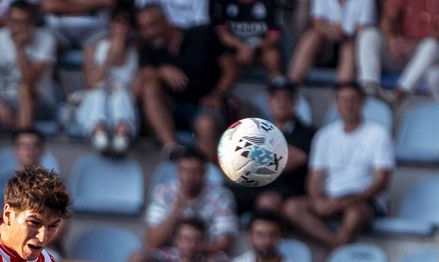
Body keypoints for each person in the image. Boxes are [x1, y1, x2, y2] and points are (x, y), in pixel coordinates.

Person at [126, 145, 237, 262]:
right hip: (168, 257)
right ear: (179, 171)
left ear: (204, 172)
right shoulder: (164, 192)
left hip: (205, 258)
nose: (189, 176)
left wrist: (193, 248)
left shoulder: (220, 195)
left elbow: (224, 242)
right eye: (185, 170)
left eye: (195, 171)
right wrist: (176, 211)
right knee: (136, 258)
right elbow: (153, 239)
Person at [284, 81, 393, 249]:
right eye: (343, 99)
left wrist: (344, 201)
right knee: (292, 207)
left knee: (354, 214)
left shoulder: (379, 134)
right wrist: (317, 199)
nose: (348, 105)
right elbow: (315, 176)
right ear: (336, 103)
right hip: (330, 197)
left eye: (352, 99)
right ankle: (336, 244)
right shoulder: (324, 135)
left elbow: (381, 182)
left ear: (362, 102)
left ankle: (332, 257)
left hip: (363, 200)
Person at [136, 2, 236, 161]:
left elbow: (231, 68)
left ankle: (205, 173)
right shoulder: (148, 48)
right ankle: (172, 148)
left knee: (205, 124)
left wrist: (218, 93)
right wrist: (161, 71)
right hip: (173, 109)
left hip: (206, 105)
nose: (149, 32)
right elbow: (144, 77)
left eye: (153, 25)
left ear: (166, 19)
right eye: (144, 27)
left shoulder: (201, 35)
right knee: (149, 86)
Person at [355, 0, 439, 101]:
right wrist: (392, 40)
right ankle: (369, 88)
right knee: (368, 34)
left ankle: (400, 93)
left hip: (431, 59)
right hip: (401, 52)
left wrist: (413, 45)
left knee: (432, 46)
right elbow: (388, 18)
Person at [0, 1, 60, 132]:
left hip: (39, 100)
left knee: (24, 88)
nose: (20, 26)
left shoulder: (46, 39)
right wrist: (0, 108)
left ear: (32, 21)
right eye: (16, 21)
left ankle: (22, 139)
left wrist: (19, 49)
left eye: (25, 21)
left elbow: (30, 80)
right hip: (2, 97)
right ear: (7, 20)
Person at [239, 76, 313, 217]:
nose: (281, 102)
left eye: (286, 98)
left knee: (267, 202)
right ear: (269, 102)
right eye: (276, 97)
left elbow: (287, 162)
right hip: (255, 186)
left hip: (288, 191)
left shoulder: (306, 133)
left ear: (294, 102)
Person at [74, 7, 139, 155]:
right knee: (98, 93)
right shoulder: (94, 47)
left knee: (121, 94)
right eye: (119, 22)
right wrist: (108, 60)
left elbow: (136, 92)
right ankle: (98, 133)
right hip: (97, 102)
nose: (122, 27)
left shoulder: (136, 52)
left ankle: (122, 133)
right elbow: (90, 82)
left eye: (126, 24)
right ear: (111, 24)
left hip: (121, 106)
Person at [287, 0, 374, 85]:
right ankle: (292, 83)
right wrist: (331, 31)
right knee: (311, 36)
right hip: (327, 43)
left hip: (353, 42)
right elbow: (317, 22)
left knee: (348, 46)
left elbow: (364, 27)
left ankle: (344, 90)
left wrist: (344, 32)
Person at [212, 0, 283, 77]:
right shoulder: (223, 3)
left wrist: (252, 46)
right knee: (223, 58)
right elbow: (221, 34)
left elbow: (274, 36)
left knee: (272, 54)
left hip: (260, 47)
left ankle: (276, 83)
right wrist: (241, 46)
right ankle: (219, 86)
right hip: (233, 48)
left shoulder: (271, 3)